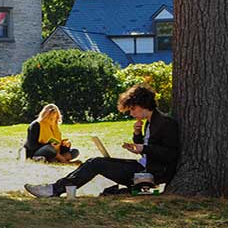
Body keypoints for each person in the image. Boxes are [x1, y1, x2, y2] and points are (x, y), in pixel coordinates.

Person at [24, 84, 179, 197]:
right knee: (93, 161)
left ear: (142, 105)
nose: (131, 113)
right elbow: (149, 145)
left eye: (132, 109)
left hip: (150, 174)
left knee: (97, 163)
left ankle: (53, 190)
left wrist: (142, 149)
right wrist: (137, 135)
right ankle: (55, 188)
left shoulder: (165, 123)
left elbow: (170, 154)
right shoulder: (150, 122)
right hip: (142, 167)